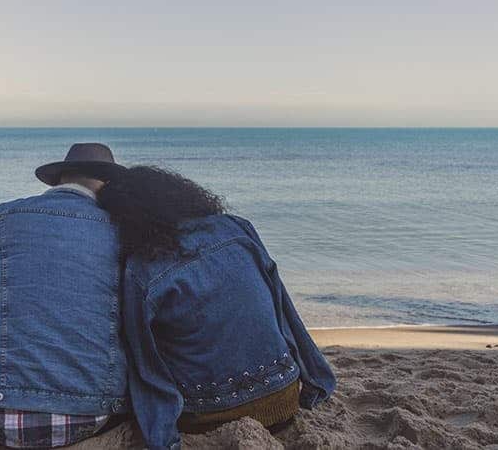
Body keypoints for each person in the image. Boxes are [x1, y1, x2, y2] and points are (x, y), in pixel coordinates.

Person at [97, 166, 337, 450]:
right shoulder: (237, 227)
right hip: (284, 396)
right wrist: (316, 379)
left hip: (210, 415)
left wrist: (162, 437)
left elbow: (146, 365)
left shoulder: (141, 270)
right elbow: (283, 309)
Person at [0, 143, 131, 448]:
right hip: (94, 415)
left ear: (60, 179)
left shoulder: (3, 217)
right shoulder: (123, 230)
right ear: (109, 185)